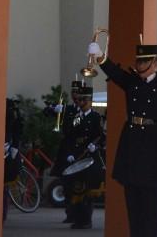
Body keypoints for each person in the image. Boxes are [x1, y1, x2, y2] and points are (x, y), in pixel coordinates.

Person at [88, 39, 157, 237]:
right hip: (132, 146)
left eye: (144, 62)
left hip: (154, 146)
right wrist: (99, 58)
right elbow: (115, 73)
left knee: (151, 208)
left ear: (154, 63)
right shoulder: (132, 83)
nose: (140, 65)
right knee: (133, 205)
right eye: (138, 62)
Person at [60, 86, 105, 230]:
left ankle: (86, 220)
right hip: (76, 154)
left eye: (84, 99)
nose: (81, 102)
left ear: (90, 101)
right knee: (76, 189)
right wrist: (70, 153)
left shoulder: (96, 117)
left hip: (89, 155)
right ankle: (77, 218)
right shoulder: (75, 117)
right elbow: (69, 136)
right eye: (79, 99)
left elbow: (100, 136)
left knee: (87, 190)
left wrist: (94, 145)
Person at [45, 79, 83, 224]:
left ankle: (79, 214)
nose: (75, 95)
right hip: (67, 147)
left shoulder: (81, 109)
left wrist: (66, 111)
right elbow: (46, 112)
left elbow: (79, 123)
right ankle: (70, 213)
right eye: (73, 92)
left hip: (79, 148)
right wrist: (54, 109)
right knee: (66, 182)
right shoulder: (69, 108)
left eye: (78, 92)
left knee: (78, 184)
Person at [2, 98, 23, 222]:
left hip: (8, 149)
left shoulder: (10, 114)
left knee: (3, 186)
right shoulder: (11, 114)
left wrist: (13, 146)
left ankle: (2, 214)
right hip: (7, 146)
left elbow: (15, 132)